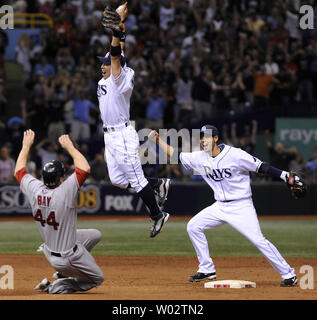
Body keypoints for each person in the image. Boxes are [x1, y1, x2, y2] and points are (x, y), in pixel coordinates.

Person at [148, 125, 303, 287]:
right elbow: (176, 155)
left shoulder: (235, 154)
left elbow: (261, 167)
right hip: (220, 206)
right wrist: (158, 140)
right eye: (201, 137)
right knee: (193, 226)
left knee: (258, 240)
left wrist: (285, 176)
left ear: (215, 138)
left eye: (207, 136)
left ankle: (289, 274)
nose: (203, 140)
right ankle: (207, 268)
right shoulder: (199, 157)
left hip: (241, 206)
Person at [97, 2, 170, 238]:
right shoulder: (107, 79)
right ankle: (158, 184)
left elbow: (118, 56)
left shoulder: (119, 79)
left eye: (105, 62)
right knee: (118, 180)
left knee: (137, 181)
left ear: (113, 65)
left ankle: (158, 215)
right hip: (110, 136)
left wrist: (116, 32)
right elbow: (120, 53)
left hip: (122, 134)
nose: (102, 65)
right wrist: (120, 26)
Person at [14, 130, 104, 294]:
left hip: (50, 249)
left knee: (95, 235)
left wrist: (25, 146)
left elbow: (19, 171)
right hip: (67, 257)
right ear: (61, 179)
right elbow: (84, 168)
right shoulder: (64, 192)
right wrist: (69, 147)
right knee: (97, 279)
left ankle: (62, 274)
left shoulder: (35, 189)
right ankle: (54, 286)